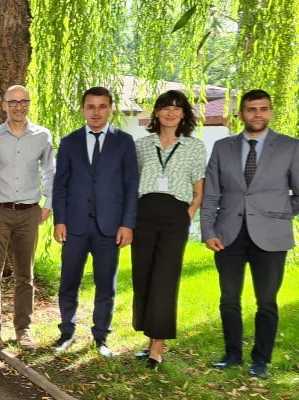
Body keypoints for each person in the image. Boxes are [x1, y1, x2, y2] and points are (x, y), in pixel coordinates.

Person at [201, 89, 299, 380]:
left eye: (263, 109)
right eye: (251, 109)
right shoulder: (223, 147)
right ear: (241, 113)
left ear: (270, 112)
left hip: (271, 236)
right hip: (228, 234)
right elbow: (211, 194)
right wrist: (208, 230)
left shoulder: (291, 147)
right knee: (229, 298)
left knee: (266, 301)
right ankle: (232, 354)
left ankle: (261, 361)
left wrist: (279, 213)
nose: (257, 114)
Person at [52, 86, 138, 357]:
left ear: (110, 108)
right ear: (83, 110)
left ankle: (101, 337)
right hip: (75, 225)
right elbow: (60, 186)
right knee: (69, 281)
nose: (96, 112)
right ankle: (66, 331)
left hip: (109, 227)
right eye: (91, 106)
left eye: (102, 106)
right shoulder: (69, 142)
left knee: (105, 284)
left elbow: (131, 186)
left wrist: (127, 224)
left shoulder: (124, 142)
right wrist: (59, 220)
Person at [130, 90, 206, 369]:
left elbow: (199, 189)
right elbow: (132, 182)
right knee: (144, 277)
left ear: (184, 114)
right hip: (144, 214)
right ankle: (149, 337)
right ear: (157, 112)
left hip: (175, 217)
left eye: (177, 108)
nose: (170, 112)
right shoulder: (142, 145)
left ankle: (157, 348)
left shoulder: (194, 147)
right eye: (165, 107)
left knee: (165, 279)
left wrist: (188, 214)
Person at [0, 85, 55, 350]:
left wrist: (48, 204)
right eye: (13, 102)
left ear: (29, 104)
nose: (18, 106)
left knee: (25, 275)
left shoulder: (42, 135)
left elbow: (50, 171)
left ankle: (23, 329)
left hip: (29, 212)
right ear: (4, 105)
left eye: (23, 101)